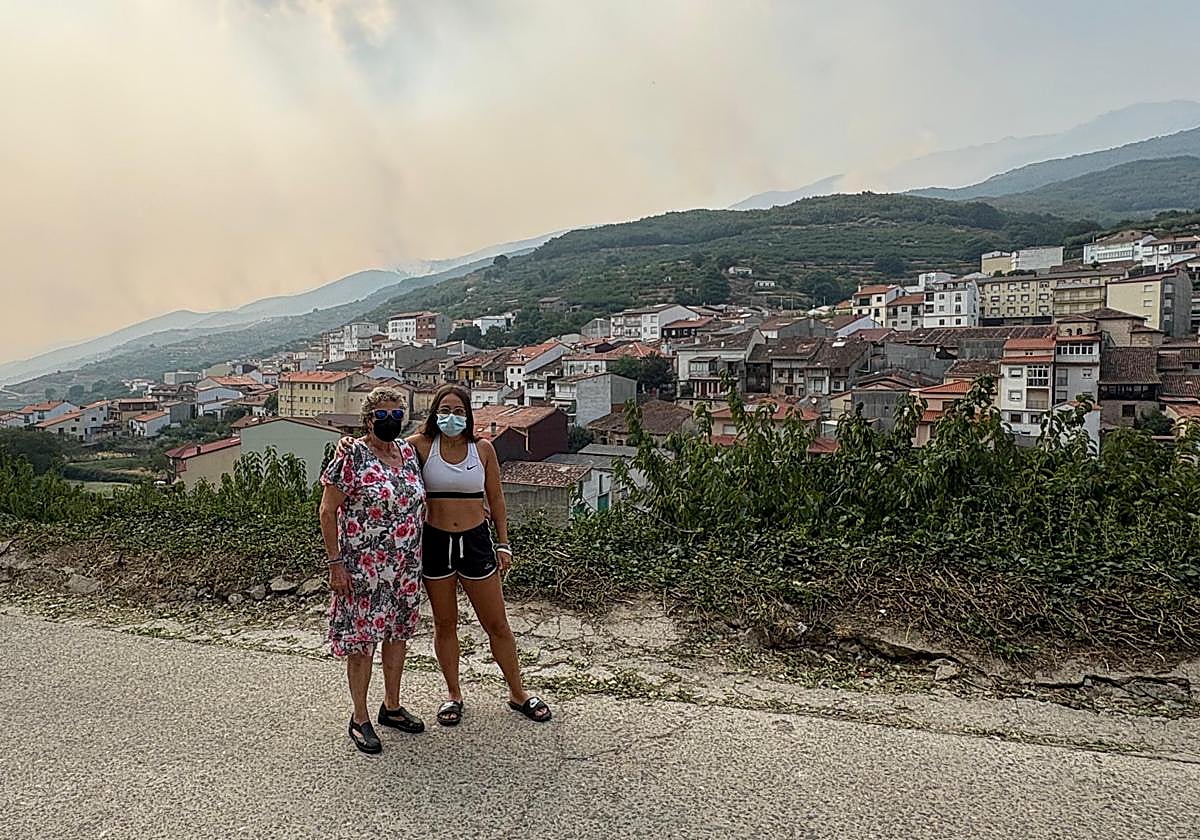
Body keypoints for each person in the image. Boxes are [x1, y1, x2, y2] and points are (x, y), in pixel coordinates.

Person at [336, 384, 551, 726]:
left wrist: (504, 543)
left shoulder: (482, 450)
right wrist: (348, 443)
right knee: (444, 624)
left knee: (497, 623)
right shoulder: (418, 446)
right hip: (435, 543)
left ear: (468, 415)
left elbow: (496, 499)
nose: (451, 417)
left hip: (476, 542)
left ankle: (518, 692)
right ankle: (454, 695)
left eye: (458, 411)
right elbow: (379, 450)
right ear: (435, 413)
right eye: (445, 410)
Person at [319, 387, 427, 754]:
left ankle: (391, 707)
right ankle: (360, 717)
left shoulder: (409, 453)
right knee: (362, 644)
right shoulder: (351, 456)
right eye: (382, 416)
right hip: (362, 569)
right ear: (368, 420)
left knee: (397, 636)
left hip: (404, 568)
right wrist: (336, 564)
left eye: (397, 415)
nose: (390, 422)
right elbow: (326, 511)